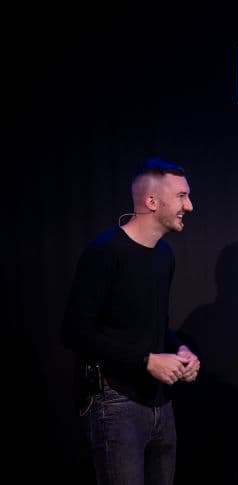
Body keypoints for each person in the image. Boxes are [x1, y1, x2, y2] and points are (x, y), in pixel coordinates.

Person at [62, 157, 201, 485]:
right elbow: (75, 332)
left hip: (160, 404)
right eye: (181, 196)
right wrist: (146, 360)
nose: (190, 206)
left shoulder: (164, 255)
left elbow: (155, 325)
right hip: (117, 404)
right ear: (152, 201)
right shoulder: (105, 252)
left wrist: (180, 350)